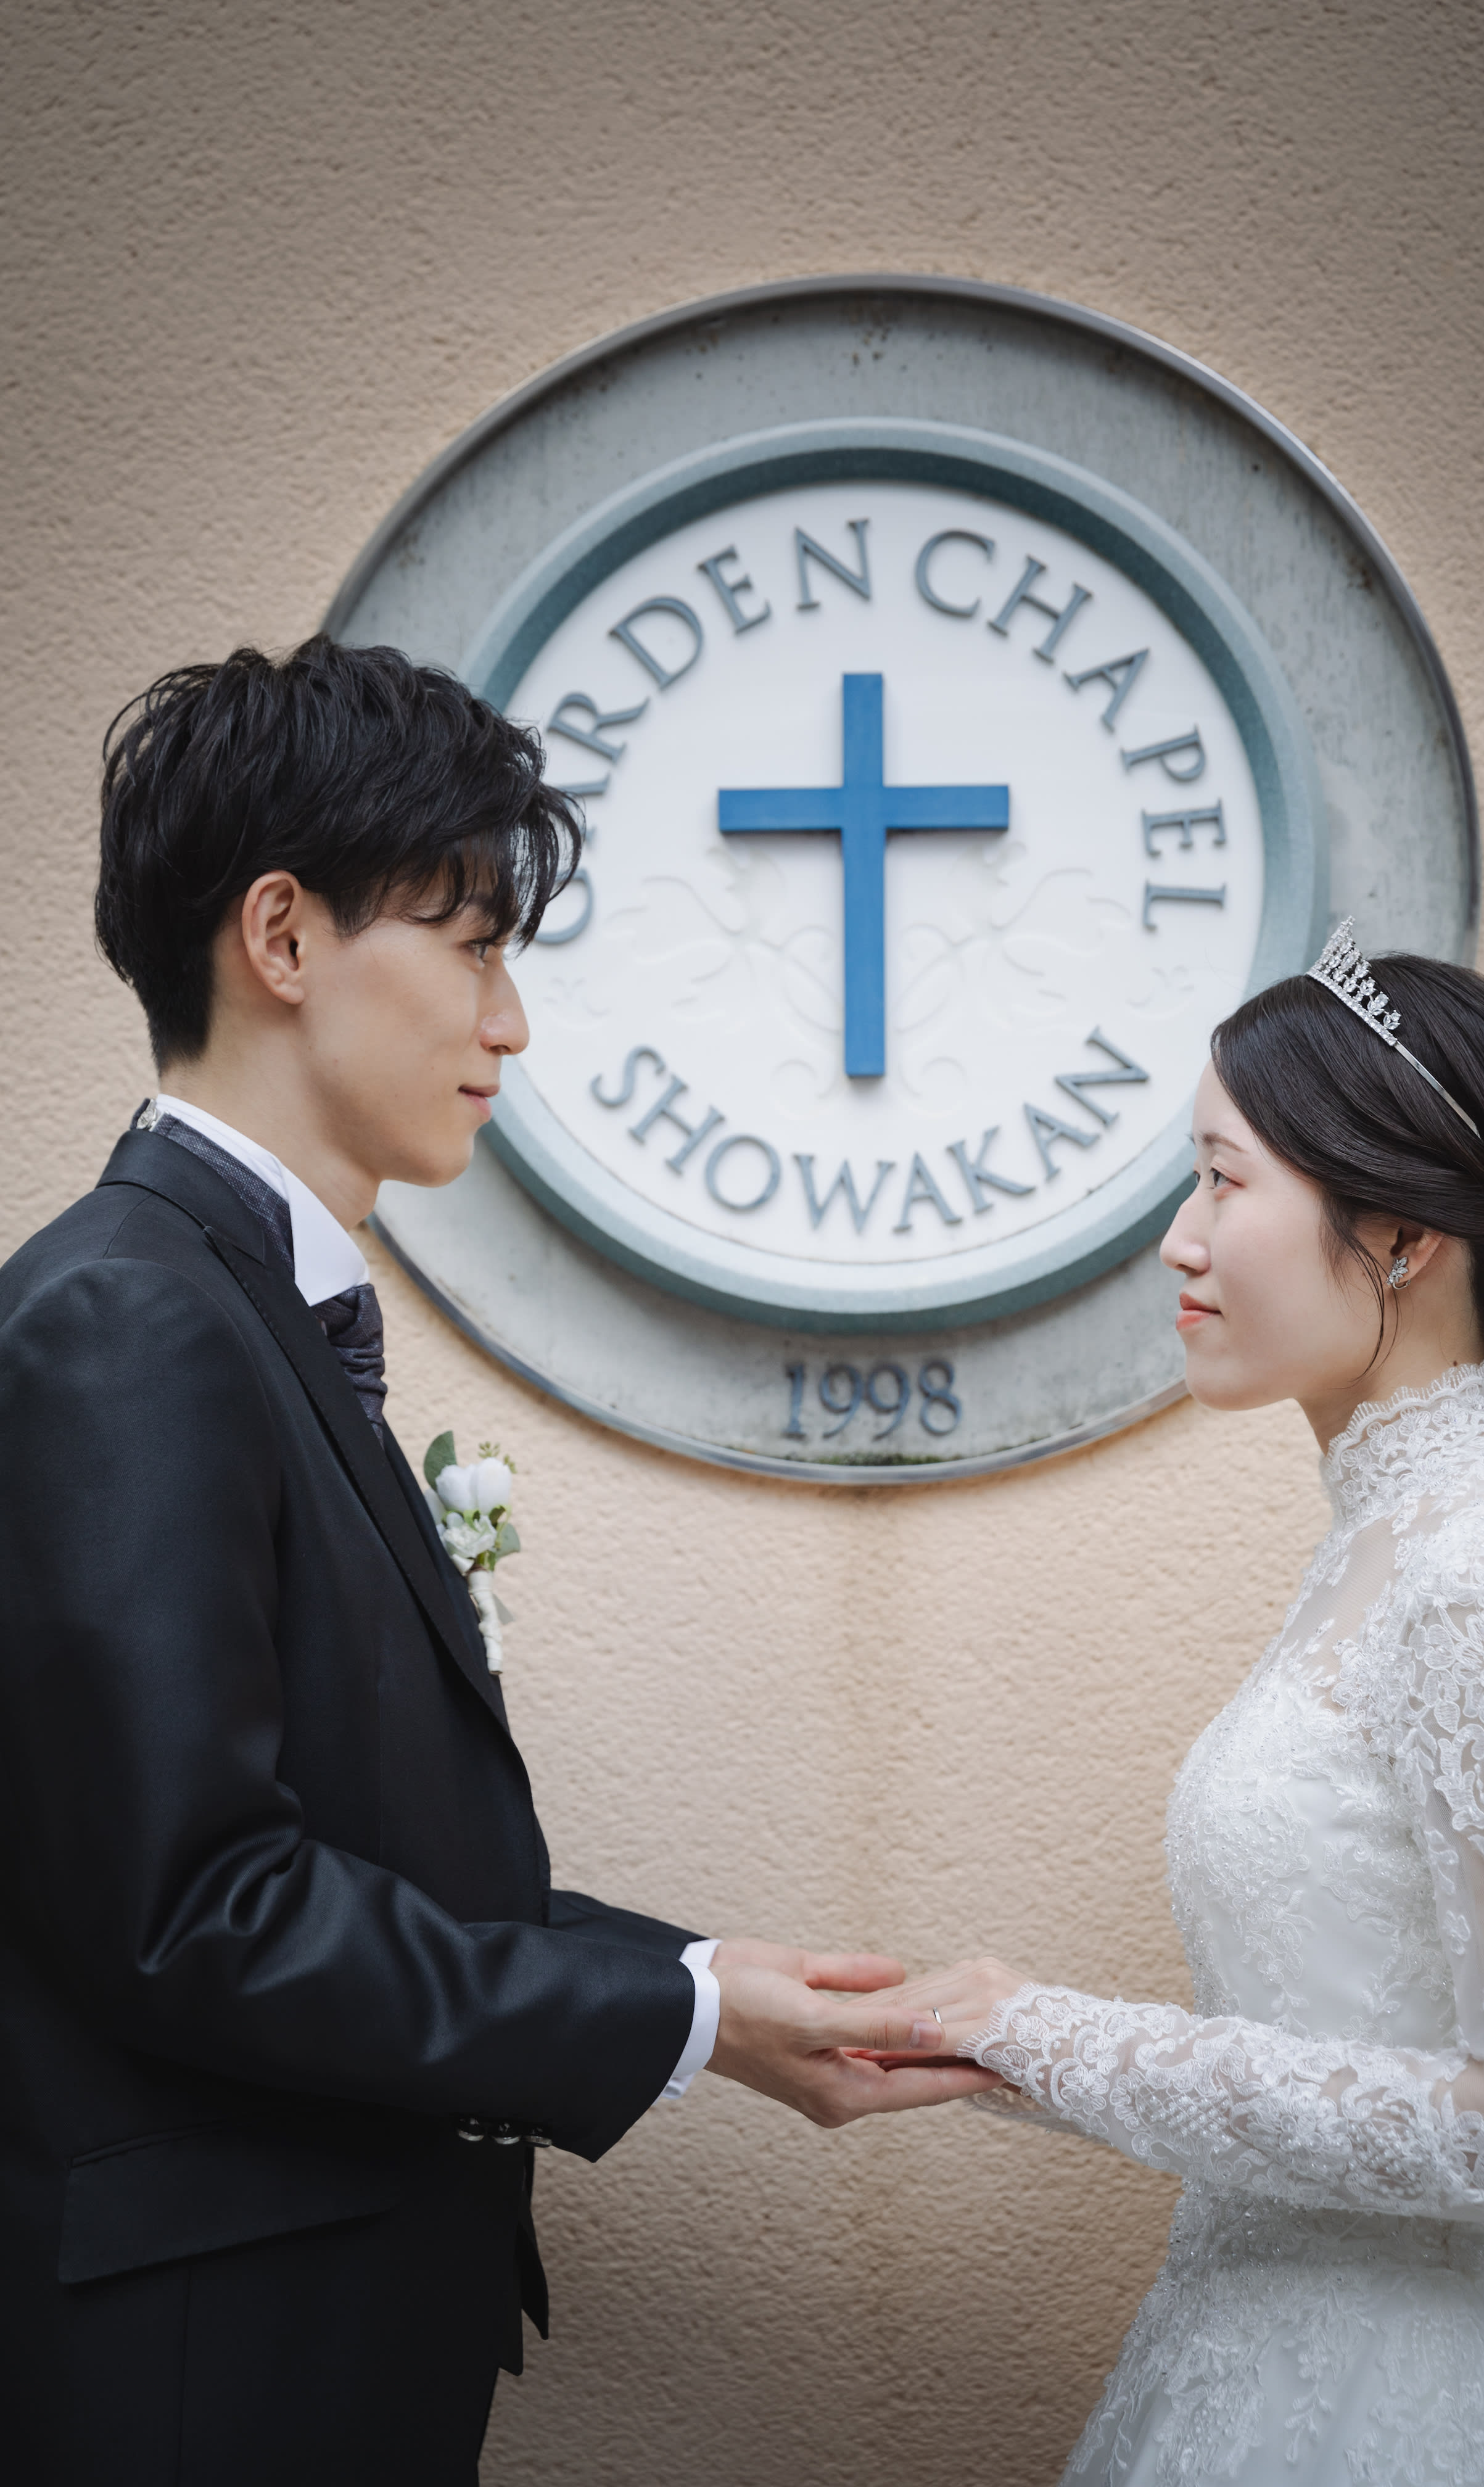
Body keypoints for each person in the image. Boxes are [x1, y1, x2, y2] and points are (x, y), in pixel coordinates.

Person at [0, 638, 997, 2487]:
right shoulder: (126, 1323)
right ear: (283, 937)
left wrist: (707, 1987)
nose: (512, 1024)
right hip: (208, 2382)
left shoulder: (232, 1311)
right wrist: (681, 2017)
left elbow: (363, 1852)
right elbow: (197, 1911)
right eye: (472, 946)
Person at [880, 923, 1484, 2483]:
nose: (1180, 1242)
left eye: (1223, 1182)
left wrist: (1054, 2039)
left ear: (1401, 1233)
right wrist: (1007, 2047)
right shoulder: (1391, 1532)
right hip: (1253, 2361)